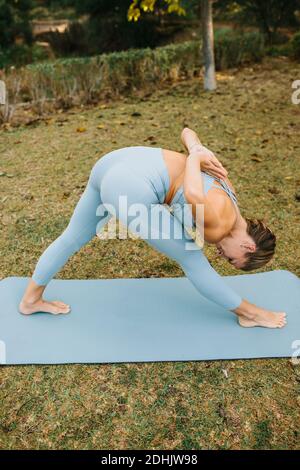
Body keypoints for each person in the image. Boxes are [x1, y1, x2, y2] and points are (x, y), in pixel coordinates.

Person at [19, 127, 286, 328]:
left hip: (110, 164)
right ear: (248, 245)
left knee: (71, 238)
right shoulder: (219, 226)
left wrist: (196, 148)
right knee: (192, 258)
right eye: (231, 258)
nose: (220, 254)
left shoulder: (231, 192)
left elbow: (186, 131)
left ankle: (31, 300)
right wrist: (194, 158)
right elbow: (193, 195)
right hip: (127, 185)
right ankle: (251, 314)